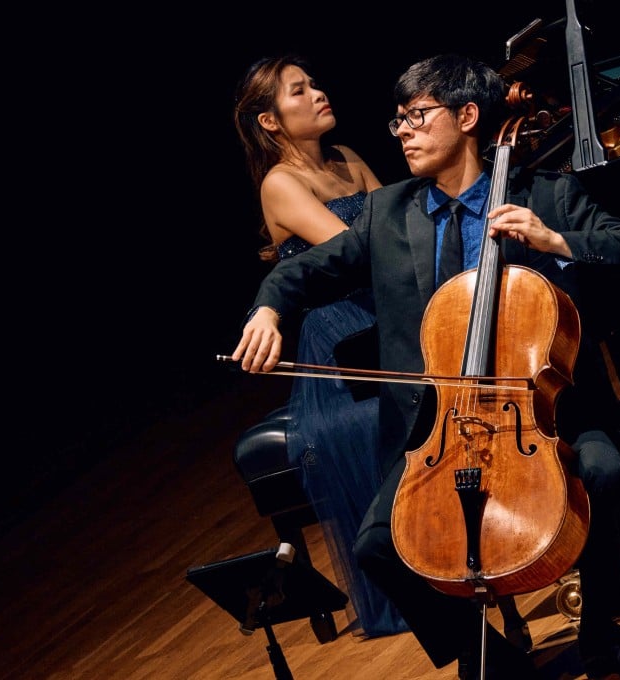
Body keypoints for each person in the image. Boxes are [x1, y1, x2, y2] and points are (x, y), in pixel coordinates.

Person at [232, 53, 620, 678]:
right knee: (376, 546)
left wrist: (556, 241)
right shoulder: (389, 214)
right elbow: (300, 272)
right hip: (441, 430)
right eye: (398, 120)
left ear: (467, 117)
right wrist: (268, 311)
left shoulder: (545, 195)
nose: (403, 132)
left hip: (546, 415)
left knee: (605, 474)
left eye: (417, 116)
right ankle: (492, 659)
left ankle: (602, 636)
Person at [232, 53, 407, 637]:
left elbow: (401, 228)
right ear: (270, 121)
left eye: (314, 84)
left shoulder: (349, 158)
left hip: (382, 310)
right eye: (298, 91)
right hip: (337, 333)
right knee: (391, 414)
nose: (317, 93)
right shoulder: (280, 183)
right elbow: (361, 250)